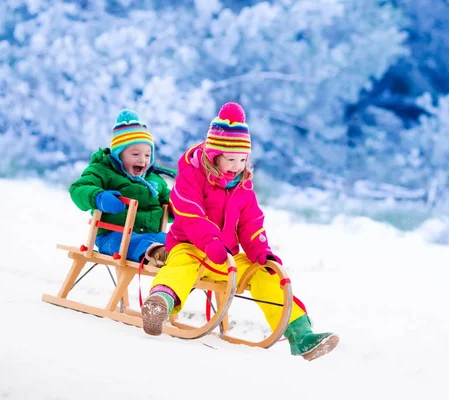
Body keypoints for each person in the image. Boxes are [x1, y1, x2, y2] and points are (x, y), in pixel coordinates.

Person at [140, 102, 339, 360]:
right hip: (190, 246)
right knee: (181, 268)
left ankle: (300, 334)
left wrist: (259, 250)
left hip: (227, 257)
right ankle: (159, 304)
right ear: (214, 156)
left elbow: (251, 222)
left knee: (266, 275)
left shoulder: (242, 186)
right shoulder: (191, 177)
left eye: (242, 159)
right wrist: (209, 240)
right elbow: (189, 213)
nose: (237, 165)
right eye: (231, 159)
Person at [69, 109, 170, 266]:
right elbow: (78, 188)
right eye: (135, 154)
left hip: (153, 235)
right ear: (119, 155)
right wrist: (99, 197)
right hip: (112, 236)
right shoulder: (104, 171)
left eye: (147, 155)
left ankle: (180, 259)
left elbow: (171, 202)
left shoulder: (155, 181)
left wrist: (183, 208)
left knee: (173, 241)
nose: (143, 160)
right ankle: (155, 255)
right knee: (129, 243)